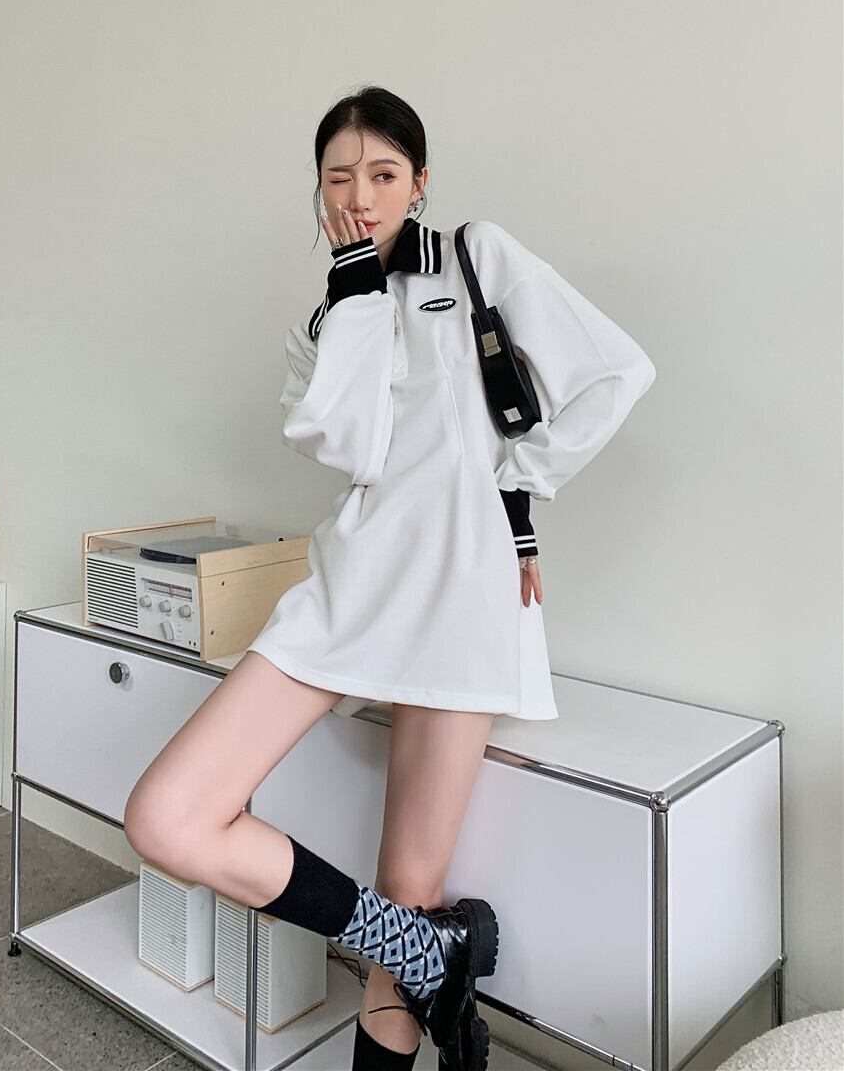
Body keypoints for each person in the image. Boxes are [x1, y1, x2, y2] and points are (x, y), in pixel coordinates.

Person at [124, 85, 656, 1071]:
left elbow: (615, 373)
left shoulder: (478, 256)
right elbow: (354, 444)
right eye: (340, 177)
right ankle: (427, 951)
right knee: (166, 816)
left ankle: (415, 950)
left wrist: (517, 489)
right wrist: (357, 293)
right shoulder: (322, 325)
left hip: (463, 594)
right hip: (349, 589)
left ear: (420, 181)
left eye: (382, 173)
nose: (360, 196)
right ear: (318, 192)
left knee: (409, 889)